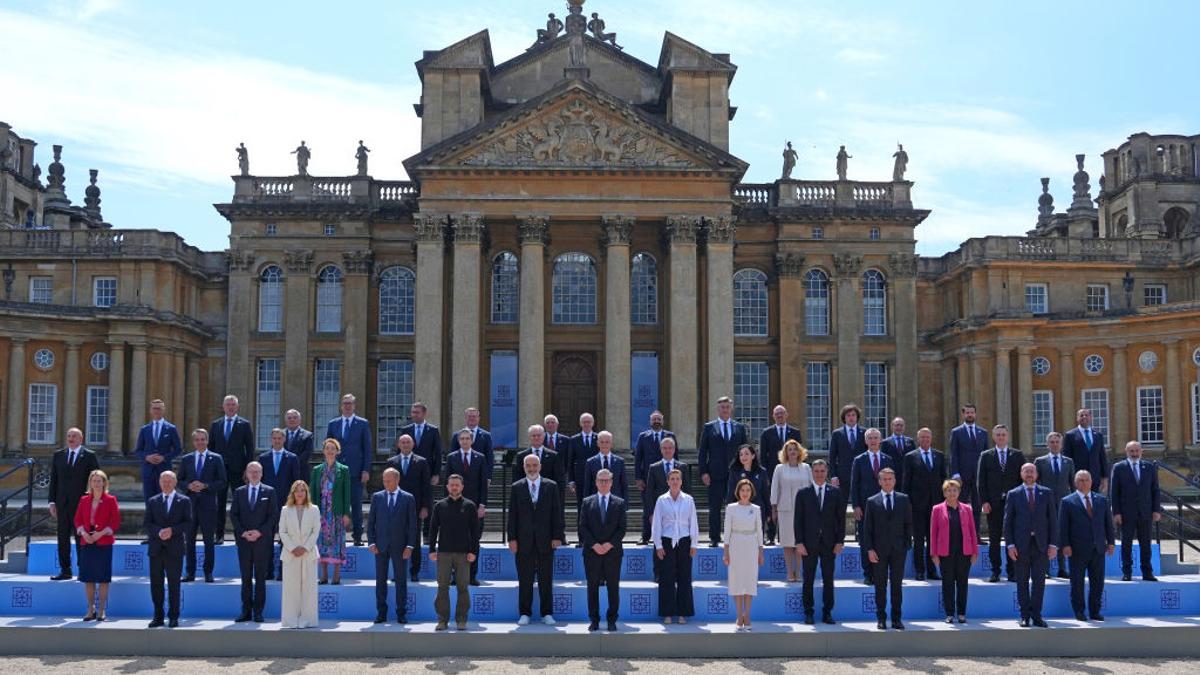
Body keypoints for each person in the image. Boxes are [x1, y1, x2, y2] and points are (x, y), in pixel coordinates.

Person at [507, 453, 565, 626]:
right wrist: (512, 539)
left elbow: (557, 513)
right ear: (524, 468)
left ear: (540, 467)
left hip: (546, 541)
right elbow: (513, 516)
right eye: (528, 466)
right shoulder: (517, 487)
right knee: (525, 579)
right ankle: (525, 613)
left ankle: (547, 613)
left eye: (534, 465)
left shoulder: (551, 486)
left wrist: (557, 536)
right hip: (523, 542)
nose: (531, 469)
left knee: (546, 579)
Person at [1004, 463, 1058, 628]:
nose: (1029, 474)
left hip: (1041, 545)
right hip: (1021, 546)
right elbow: (1008, 522)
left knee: (1039, 582)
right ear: (1021, 474)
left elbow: (1053, 521)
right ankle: (1024, 616)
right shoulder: (1013, 494)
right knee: (1022, 582)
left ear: (1036, 474)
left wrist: (1053, 544)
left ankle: (1037, 615)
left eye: (1032, 471)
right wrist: (1010, 545)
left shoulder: (1046, 493)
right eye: (1026, 471)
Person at [793, 459, 845, 625]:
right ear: (812, 472)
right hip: (808, 544)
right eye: (816, 471)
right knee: (808, 579)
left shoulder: (835, 492)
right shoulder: (803, 493)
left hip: (829, 543)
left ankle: (827, 612)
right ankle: (808, 612)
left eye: (822, 471)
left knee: (828, 579)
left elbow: (841, 520)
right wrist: (799, 542)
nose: (820, 474)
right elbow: (798, 520)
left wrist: (839, 541)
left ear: (827, 472)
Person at [1059, 470, 1115, 621]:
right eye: (1081, 480)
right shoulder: (1067, 501)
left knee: (1097, 582)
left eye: (1086, 480)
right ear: (1076, 483)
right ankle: (1079, 611)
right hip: (1077, 549)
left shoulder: (1102, 500)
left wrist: (1111, 542)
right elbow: (1063, 526)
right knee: (1077, 583)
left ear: (1091, 482)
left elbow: (1108, 524)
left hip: (1098, 548)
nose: (1084, 483)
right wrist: (1065, 544)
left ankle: (1095, 611)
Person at [429, 474, 481, 630]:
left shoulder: (470, 506)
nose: (454, 487)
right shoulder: (440, 505)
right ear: (447, 487)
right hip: (444, 553)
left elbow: (475, 532)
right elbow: (432, 530)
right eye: (451, 485)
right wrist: (432, 549)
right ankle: (442, 620)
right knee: (442, 586)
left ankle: (461, 620)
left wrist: (473, 551)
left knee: (463, 587)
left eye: (457, 485)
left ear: (462, 487)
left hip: (464, 554)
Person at [861, 467, 911, 630]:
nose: (887, 482)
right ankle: (881, 618)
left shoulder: (903, 499)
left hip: (898, 550)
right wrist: (869, 549)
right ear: (879, 481)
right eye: (884, 479)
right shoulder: (872, 501)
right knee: (880, 586)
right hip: (878, 551)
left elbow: (908, 525)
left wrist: (906, 546)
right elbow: (867, 528)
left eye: (890, 479)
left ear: (895, 481)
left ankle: (896, 618)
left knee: (897, 585)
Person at [47, 427, 100, 581]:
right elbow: (54, 480)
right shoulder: (58, 455)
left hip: (82, 505)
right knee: (62, 537)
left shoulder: (89, 456)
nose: (71, 439)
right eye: (69, 436)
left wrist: (93, 502)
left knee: (81, 537)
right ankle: (65, 570)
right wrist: (52, 502)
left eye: (74, 436)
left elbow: (96, 481)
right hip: (62, 504)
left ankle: (83, 570)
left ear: (81, 439)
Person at [367, 467, 418, 624]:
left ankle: (401, 613)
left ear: (397, 480)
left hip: (400, 546)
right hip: (380, 546)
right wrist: (371, 542)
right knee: (380, 580)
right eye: (384, 480)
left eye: (388, 480)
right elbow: (371, 522)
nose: (385, 483)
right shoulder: (377, 497)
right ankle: (381, 613)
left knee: (401, 581)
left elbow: (412, 524)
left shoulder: (408, 498)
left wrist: (410, 546)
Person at [230, 462, 278, 623]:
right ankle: (245, 611)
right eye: (251, 471)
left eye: (257, 471)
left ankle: (258, 612)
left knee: (260, 578)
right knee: (245, 578)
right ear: (247, 473)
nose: (254, 474)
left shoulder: (269, 492)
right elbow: (234, 515)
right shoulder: (239, 492)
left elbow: (273, 516)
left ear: (262, 473)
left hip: (262, 542)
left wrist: (260, 532)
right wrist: (243, 532)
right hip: (244, 541)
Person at [580, 468, 627, 631]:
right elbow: (583, 527)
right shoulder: (587, 502)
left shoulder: (619, 503)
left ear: (612, 482)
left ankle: (612, 619)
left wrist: (608, 544)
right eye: (601, 480)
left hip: (612, 553)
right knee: (592, 587)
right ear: (596, 482)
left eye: (607, 480)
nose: (604, 483)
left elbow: (622, 529)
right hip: (592, 553)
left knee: (613, 587)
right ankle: (594, 619)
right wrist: (595, 545)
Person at [977, 424, 1025, 582]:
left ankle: (1013, 572)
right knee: (995, 538)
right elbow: (981, 481)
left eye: (1003, 434)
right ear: (993, 437)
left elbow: (1022, 480)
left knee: (1013, 538)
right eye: (998, 435)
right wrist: (984, 501)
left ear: (1008, 436)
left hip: (1013, 505)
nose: (1001, 437)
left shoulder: (1017, 455)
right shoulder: (986, 455)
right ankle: (995, 571)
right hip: (993, 504)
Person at [177, 428, 226, 583]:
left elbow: (222, 482)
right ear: (194, 442)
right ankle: (190, 572)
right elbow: (179, 480)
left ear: (207, 440)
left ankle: (208, 572)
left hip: (208, 505)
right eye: (197, 440)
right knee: (189, 541)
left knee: (208, 541)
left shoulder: (216, 458)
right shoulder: (186, 459)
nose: (200, 442)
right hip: (190, 505)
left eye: (202, 439)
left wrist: (205, 485)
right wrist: (188, 486)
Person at [698, 396, 748, 546]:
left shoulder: (739, 427)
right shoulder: (709, 427)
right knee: (715, 508)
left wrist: (746, 470)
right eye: (722, 407)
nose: (725, 409)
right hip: (715, 474)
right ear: (718, 409)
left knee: (737, 507)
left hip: (736, 474)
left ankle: (735, 536)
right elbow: (702, 452)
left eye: (727, 407)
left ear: (731, 408)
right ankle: (714, 538)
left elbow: (745, 451)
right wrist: (704, 472)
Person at [1109, 441, 1162, 581]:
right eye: (1131, 451)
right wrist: (1116, 512)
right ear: (1126, 452)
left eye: (1136, 451)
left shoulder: (1149, 467)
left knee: (1146, 544)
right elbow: (1114, 493)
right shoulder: (1119, 468)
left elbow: (1155, 490)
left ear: (1141, 452)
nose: (1134, 454)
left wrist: (1156, 510)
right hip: (1126, 513)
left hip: (1146, 512)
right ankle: (1127, 572)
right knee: (1126, 544)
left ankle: (1147, 572)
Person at [651, 468, 698, 624]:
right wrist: (658, 545)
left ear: (681, 481)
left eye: (678, 479)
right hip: (667, 540)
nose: (675, 481)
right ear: (668, 481)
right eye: (672, 479)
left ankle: (683, 613)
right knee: (667, 577)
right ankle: (667, 613)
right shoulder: (661, 500)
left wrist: (694, 543)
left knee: (685, 577)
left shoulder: (689, 499)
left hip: (684, 540)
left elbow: (693, 523)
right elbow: (657, 524)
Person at [145, 471, 191, 628]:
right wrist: (159, 532)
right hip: (156, 549)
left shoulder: (184, 501)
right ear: (159, 482)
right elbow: (148, 523)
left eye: (169, 481)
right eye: (164, 481)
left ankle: (173, 616)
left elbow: (188, 523)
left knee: (174, 585)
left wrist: (172, 530)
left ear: (175, 482)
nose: (166, 484)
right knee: (156, 584)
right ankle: (158, 616)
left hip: (175, 549)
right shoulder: (152, 501)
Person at [442, 429, 488, 585]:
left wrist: (482, 505)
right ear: (458, 441)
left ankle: (472, 575)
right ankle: (456, 575)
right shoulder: (451, 458)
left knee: (473, 540)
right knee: (455, 541)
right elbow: (446, 483)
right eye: (462, 438)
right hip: (455, 505)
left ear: (472, 440)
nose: (464, 441)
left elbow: (483, 484)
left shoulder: (480, 458)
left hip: (474, 506)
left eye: (467, 438)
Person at [900, 428, 947, 580]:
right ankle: (920, 570)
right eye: (922, 437)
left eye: (928, 437)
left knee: (933, 539)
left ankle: (932, 570)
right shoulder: (910, 457)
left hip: (936, 505)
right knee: (919, 539)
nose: (925, 440)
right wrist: (906, 504)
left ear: (931, 439)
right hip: (917, 505)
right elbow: (906, 482)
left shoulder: (939, 456)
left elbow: (943, 480)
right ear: (918, 439)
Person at [850, 428, 895, 585]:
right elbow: (854, 485)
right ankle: (868, 573)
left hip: (884, 506)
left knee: (884, 539)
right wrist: (855, 505)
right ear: (866, 441)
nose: (873, 440)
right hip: (865, 507)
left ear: (881, 440)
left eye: (876, 437)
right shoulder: (859, 460)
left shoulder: (888, 459)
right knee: (866, 540)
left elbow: (892, 484)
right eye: (870, 438)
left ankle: (882, 572)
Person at [930, 479, 978, 624]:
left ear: (959, 492)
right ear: (944, 493)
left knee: (963, 583)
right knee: (948, 583)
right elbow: (933, 533)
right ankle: (950, 613)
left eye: (954, 490)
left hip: (964, 553)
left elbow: (972, 531)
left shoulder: (967, 508)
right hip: (945, 553)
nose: (952, 493)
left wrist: (974, 551)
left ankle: (962, 613)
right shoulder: (937, 509)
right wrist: (934, 554)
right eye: (949, 490)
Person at [327, 393, 373, 545]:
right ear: (341, 405)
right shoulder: (333, 424)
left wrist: (366, 469)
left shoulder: (362, 423)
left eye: (350, 403)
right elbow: (328, 447)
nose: (347, 406)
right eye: (345, 403)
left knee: (356, 506)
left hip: (356, 472)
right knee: (336, 505)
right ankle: (335, 536)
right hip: (336, 472)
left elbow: (367, 448)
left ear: (354, 406)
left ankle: (358, 537)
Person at [209, 395, 255, 543]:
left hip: (238, 471)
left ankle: (239, 534)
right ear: (223, 407)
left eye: (233, 405)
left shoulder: (244, 424)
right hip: (220, 471)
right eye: (228, 404)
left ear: (237, 407)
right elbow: (211, 448)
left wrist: (247, 470)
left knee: (240, 503)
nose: (230, 407)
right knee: (219, 503)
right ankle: (219, 534)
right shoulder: (216, 425)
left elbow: (250, 449)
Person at [74, 469, 119, 621]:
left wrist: (101, 533)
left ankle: (101, 610)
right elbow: (77, 520)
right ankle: (90, 609)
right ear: (90, 483)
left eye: (99, 481)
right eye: (94, 481)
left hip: (103, 542)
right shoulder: (84, 500)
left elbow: (115, 521)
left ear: (104, 483)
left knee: (103, 578)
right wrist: (83, 533)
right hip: (86, 542)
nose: (97, 483)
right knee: (88, 578)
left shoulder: (111, 499)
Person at [387, 434, 431, 582]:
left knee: (414, 540)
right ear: (399, 445)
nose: (405, 445)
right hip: (396, 507)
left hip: (416, 507)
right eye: (403, 442)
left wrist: (425, 506)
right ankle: (398, 572)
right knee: (396, 540)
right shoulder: (391, 462)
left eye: (408, 442)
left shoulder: (422, 462)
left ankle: (414, 571)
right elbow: (387, 486)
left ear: (412, 445)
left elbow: (426, 487)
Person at [278, 479, 321, 629]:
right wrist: (293, 547)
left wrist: (305, 547)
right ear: (293, 493)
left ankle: (308, 620)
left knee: (309, 588)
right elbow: (282, 531)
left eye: (303, 490)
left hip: (308, 554)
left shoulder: (314, 509)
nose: (300, 493)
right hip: (291, 554)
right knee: (290, 588)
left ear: (306, 493)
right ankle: (290, 620)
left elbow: (316, 531)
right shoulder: (285, 510)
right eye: (297, 490)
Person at [260, 429, 301, 580]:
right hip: (267, 505)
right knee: (267, 540)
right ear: (271, 440)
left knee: (286, 539)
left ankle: (284, 572)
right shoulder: (263, 458)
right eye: (274, 438)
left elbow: (296, 481)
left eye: (279, 438)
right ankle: (268, 571)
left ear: (284, 440)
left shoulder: (292, 458)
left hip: (287, 504)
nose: (277, 441)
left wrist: (294, 502)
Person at [723, 478, 764, 630]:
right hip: (735, 545)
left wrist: (761, 551)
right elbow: (727, 531)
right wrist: (726, 552)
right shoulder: (731, 508)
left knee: (749, 581)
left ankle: (748, 615)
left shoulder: (756, 509)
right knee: (736, 580)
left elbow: (760, 531)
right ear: (738, 492)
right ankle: (739, 615)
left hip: (751, 546)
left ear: (751, 492)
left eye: (747, 490)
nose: (745, 493)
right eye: (742, 490)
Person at [770, 439, 813, 581]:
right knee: (788, 542)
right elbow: (775, 488)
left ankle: (799, 572)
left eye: (795, 449)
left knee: (800, 542)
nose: (793, 452)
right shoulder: (779, 468)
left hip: (804, 509)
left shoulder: (806, 467)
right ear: (785, 452)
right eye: (790, 449)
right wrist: (774, 508)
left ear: (799, 451)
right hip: (785, 510)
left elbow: (812, 488)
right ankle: (790, 572)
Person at [760, 405, 803, 545]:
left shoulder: (795, 432)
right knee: (772, 504)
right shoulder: (767, 433)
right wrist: (765, 476)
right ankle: (771, 536)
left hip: (791, 473)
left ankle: (789, 536)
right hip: (773, 473)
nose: (779, 416)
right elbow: (763, 457)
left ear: (786, 415)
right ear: (773, 416)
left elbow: (800, 453)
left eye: (781, 413)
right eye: (776, 414)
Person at [311, 439, 352, 584]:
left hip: (336, 511)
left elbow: (347, 493)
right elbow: (313, 492)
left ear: (337, 451)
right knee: (321, 542)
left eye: (333, 449)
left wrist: (346, 513)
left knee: (337, 542)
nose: (330, 451)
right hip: (321, 511)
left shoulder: (344, 469)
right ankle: (323, 575)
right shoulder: (317, 470)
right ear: (323, 451)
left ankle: (336, 574)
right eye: (327, 448)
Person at [1035, 432, 1075, 578]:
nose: (1054, 444)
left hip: (1064, 504)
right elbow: (1035, 483)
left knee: (1062, 535)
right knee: (1045, 536)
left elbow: (1072, 484)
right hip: (1045, 504)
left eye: (1057, 442)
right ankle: (1044, 569)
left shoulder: (1068, 462)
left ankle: (1062, 568)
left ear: (1061, 444)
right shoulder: (1040, 461)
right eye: (1051, 442)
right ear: (1047, 444)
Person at [635, 411, 676, 544]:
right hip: (648, 480)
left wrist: (677, 477)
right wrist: (638, 478)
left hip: (668, 479)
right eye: (654, 419)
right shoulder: (643, 436)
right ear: (650, 421)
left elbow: (676, 457)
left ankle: (668, 536)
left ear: (662, 421)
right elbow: (638, 459)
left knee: (669, 509)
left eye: (659, 419)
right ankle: (645, 536)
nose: (656, 421)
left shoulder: (670, 436)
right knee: (648, 509)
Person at [514, 424, 568, 523]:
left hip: (548, 500)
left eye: (539, 435)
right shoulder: (521, 456)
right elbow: (517, 479)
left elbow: (559, 480)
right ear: (529, 437)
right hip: (527, 501)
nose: (536, 438)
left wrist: (558, 500)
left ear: (544, 436)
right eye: (533, 435)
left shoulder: (554, 456)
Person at [949, 404, 988, 533]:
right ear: (963, 414)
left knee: (977, 507)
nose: (970, 415)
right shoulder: (956, 432)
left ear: (975, 414)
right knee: (960, 506)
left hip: (978, 477)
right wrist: (955, 474)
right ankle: (960, 534)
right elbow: (953, 454)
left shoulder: (983, 433)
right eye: (967, 412)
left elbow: (986, 455)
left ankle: (976, 535)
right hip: (962, 476)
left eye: (972, 412)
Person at [134, 399, 181, 508]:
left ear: (163, 410)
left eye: (159, 408)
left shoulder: (171, 429)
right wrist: (147, 457)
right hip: (148, 471)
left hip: (164, 471)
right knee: (149, 501)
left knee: (165, 501)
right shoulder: (145, 429)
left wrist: (164, 458)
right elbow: (138, 450)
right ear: (150, 410)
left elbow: (178, 449)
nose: (156, 411)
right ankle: (150, 524)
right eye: (154, 408)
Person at [1064, 409, 1109, 493]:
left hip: (1095, 478)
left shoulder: (1098, 435)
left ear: (1090, 417)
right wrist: (1068, 479)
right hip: (1078, 478)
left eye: (1086, 415)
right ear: (1077, 418)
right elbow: (1067, 458)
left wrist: (1105, 478)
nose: (1084, 417)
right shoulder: (1070, 435)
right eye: (1081, 415)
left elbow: (1102, 457)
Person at [399, 401, 442, 484]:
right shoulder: (406, 430)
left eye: (417, 412)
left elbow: (438, 453)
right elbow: (399, 451)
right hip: (408, 470)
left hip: (427, 471)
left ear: (424, 413)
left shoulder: (433, 430)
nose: (414, 415)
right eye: (413, 412)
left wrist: (436, 474)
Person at [448, 407, 495, 482]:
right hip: (459, 476)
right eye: (469, 416)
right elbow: (452, 456)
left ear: (478, 418)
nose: (472, 418)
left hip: (479, 474)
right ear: (465, 418)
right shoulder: (457, 435)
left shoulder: (486, 436)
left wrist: (488, 477)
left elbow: (489, 457)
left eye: (474, 416)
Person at [828, 403, 867, 489]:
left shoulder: (864, 432)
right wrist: (833, 476)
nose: (851, 417)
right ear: (844, 418)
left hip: (861, 474)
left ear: (857, 417)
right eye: (848, 415)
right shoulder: (837, 434)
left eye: (853, 415)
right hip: (842, 476)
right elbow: (832, 456)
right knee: (841, 502)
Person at [569, 413, 600, 515]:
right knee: (581, 507)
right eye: (584, 422)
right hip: (580, 479)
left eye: (589, 422)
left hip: (597, 479)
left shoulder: (599, 439)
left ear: (593, 423)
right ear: (580, 423)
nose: (586, 424)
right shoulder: (573, 440)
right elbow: (570, 461)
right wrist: (571, 480)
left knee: (596, 507)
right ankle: (581, 530)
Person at [584, 431, 627, 501]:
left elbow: (624, 484)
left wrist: (625, 504)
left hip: (616, 502)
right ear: (598, 443)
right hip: (596, 502)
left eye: (607, 442)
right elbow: (587, 486)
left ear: (611, 444)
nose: (604, 444)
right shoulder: (590, 462)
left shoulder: (620, 462)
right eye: (602, 442)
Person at [881, 417, 915, 484]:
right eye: (897, 425)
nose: (899, 427)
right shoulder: (885, 442)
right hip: (891, 477)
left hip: (907, 477)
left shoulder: (910, 442)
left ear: (904, 427)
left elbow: (913, 459)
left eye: (901, 425)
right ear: (892, 426)